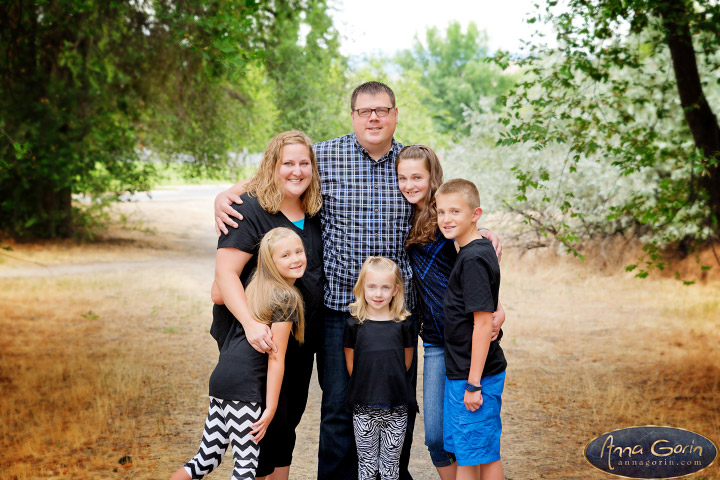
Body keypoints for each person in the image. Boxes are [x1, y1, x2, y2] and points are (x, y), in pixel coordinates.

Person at [214, 81, 503, 480]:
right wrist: (226, 194)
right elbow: (277, 172)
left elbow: (451, 209)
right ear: (352, 116)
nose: (373, 117)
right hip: (338, 310)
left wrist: (482, 234)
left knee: (395, 405)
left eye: (382, 110)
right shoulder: (325, 156)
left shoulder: (412, 164)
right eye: (364, 111)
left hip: (399, 313)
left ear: (395, 115)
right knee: (337, 405)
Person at [206, 130, 325, 480]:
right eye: (287, 163)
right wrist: (250, 323)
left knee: (285, 426)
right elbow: (225, 275)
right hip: (256, 340)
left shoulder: (315, 209)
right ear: (272, 166)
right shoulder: (249, 209)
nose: (297, 171)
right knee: (259, 430)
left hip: (299, 338)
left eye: (304, 163)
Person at [395, 145, 506, 479]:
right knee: (437, 436)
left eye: (417, 176)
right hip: (435, 339)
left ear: (433, 177)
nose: (410, 184)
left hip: (464, 338)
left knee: (465, 437)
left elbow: (476, 261)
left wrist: (498, 309)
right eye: (403, 177)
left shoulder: (446, 218)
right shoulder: (404, 213)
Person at [170, 227, 307, 480]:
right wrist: (271, 408)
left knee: (205, 459)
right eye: (285, 255)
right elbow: (276, 358)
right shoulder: (285, 298)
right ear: (271, 262)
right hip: (243, 391)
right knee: (246, 468)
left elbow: (222, 279)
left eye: (299, 251)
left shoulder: (253, 284)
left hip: (222, 381)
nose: (296, 258)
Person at [435, 179, 507, 480]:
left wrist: (474, 383)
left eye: (455, 211)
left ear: (475, 214)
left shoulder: (474, 257)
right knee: (478, 453)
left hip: (474, 375)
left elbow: (482, 323)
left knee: (473, 457)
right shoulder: (471, 251)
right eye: (440, 212)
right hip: (464, 372)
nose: (446, 219)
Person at [343, 257, 416, 480]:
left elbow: (405, 362)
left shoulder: (403, 324)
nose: (378, 294)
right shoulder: (354, 324)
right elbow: (351, 364)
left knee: (390, 467)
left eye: (385, 287)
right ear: (362, 287)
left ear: (395, 290)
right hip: (364, 407)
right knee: (366, 466)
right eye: (372, 287)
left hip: (396, 408)